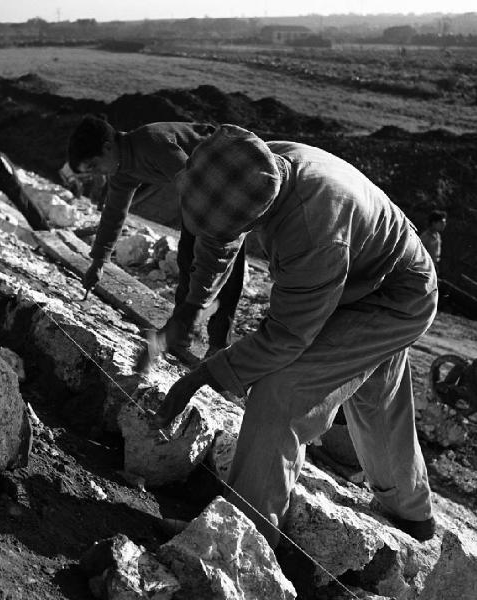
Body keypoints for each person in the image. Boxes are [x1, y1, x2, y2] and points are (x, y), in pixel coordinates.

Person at [151, 125, 439, 547]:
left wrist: (201, 377)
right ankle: (413, 513)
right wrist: (193, 308)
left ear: (262, 213)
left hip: (395, 297)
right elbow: (219, 237)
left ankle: (243, 539)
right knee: (378, 398)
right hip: (362, 271)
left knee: (282, 394)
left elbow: (287, 336)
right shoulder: (252, 164)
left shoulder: (311, 227)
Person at [67, 115, 247, 356]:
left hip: (230, 175)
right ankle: (180, 334)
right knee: (188, 259)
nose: (96, 175)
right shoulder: (121, 170)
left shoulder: (153, 143)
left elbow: (197, 183)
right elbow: (114, 214)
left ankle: (217, 344)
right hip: (200, 191)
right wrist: (99, 261)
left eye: (93, 167)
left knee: (225, 265)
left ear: (107, 148)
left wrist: (205, 235)